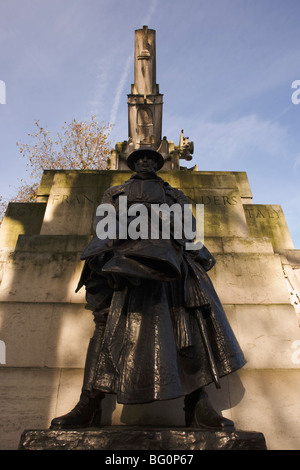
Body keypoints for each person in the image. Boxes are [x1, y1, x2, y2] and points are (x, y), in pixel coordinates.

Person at [50, 148, 246, 430]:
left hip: (168, 262)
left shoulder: (174, 194)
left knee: (188, 316)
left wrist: (157, 232)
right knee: (105, 325)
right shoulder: (115, 193)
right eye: (140, 159)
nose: (145, 162)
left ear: (158, 164)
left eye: (150, 159)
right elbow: (104, 226)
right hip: (122, 262)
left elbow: (189, 229)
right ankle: (90, 402)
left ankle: (197, 403)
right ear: (132, 163)